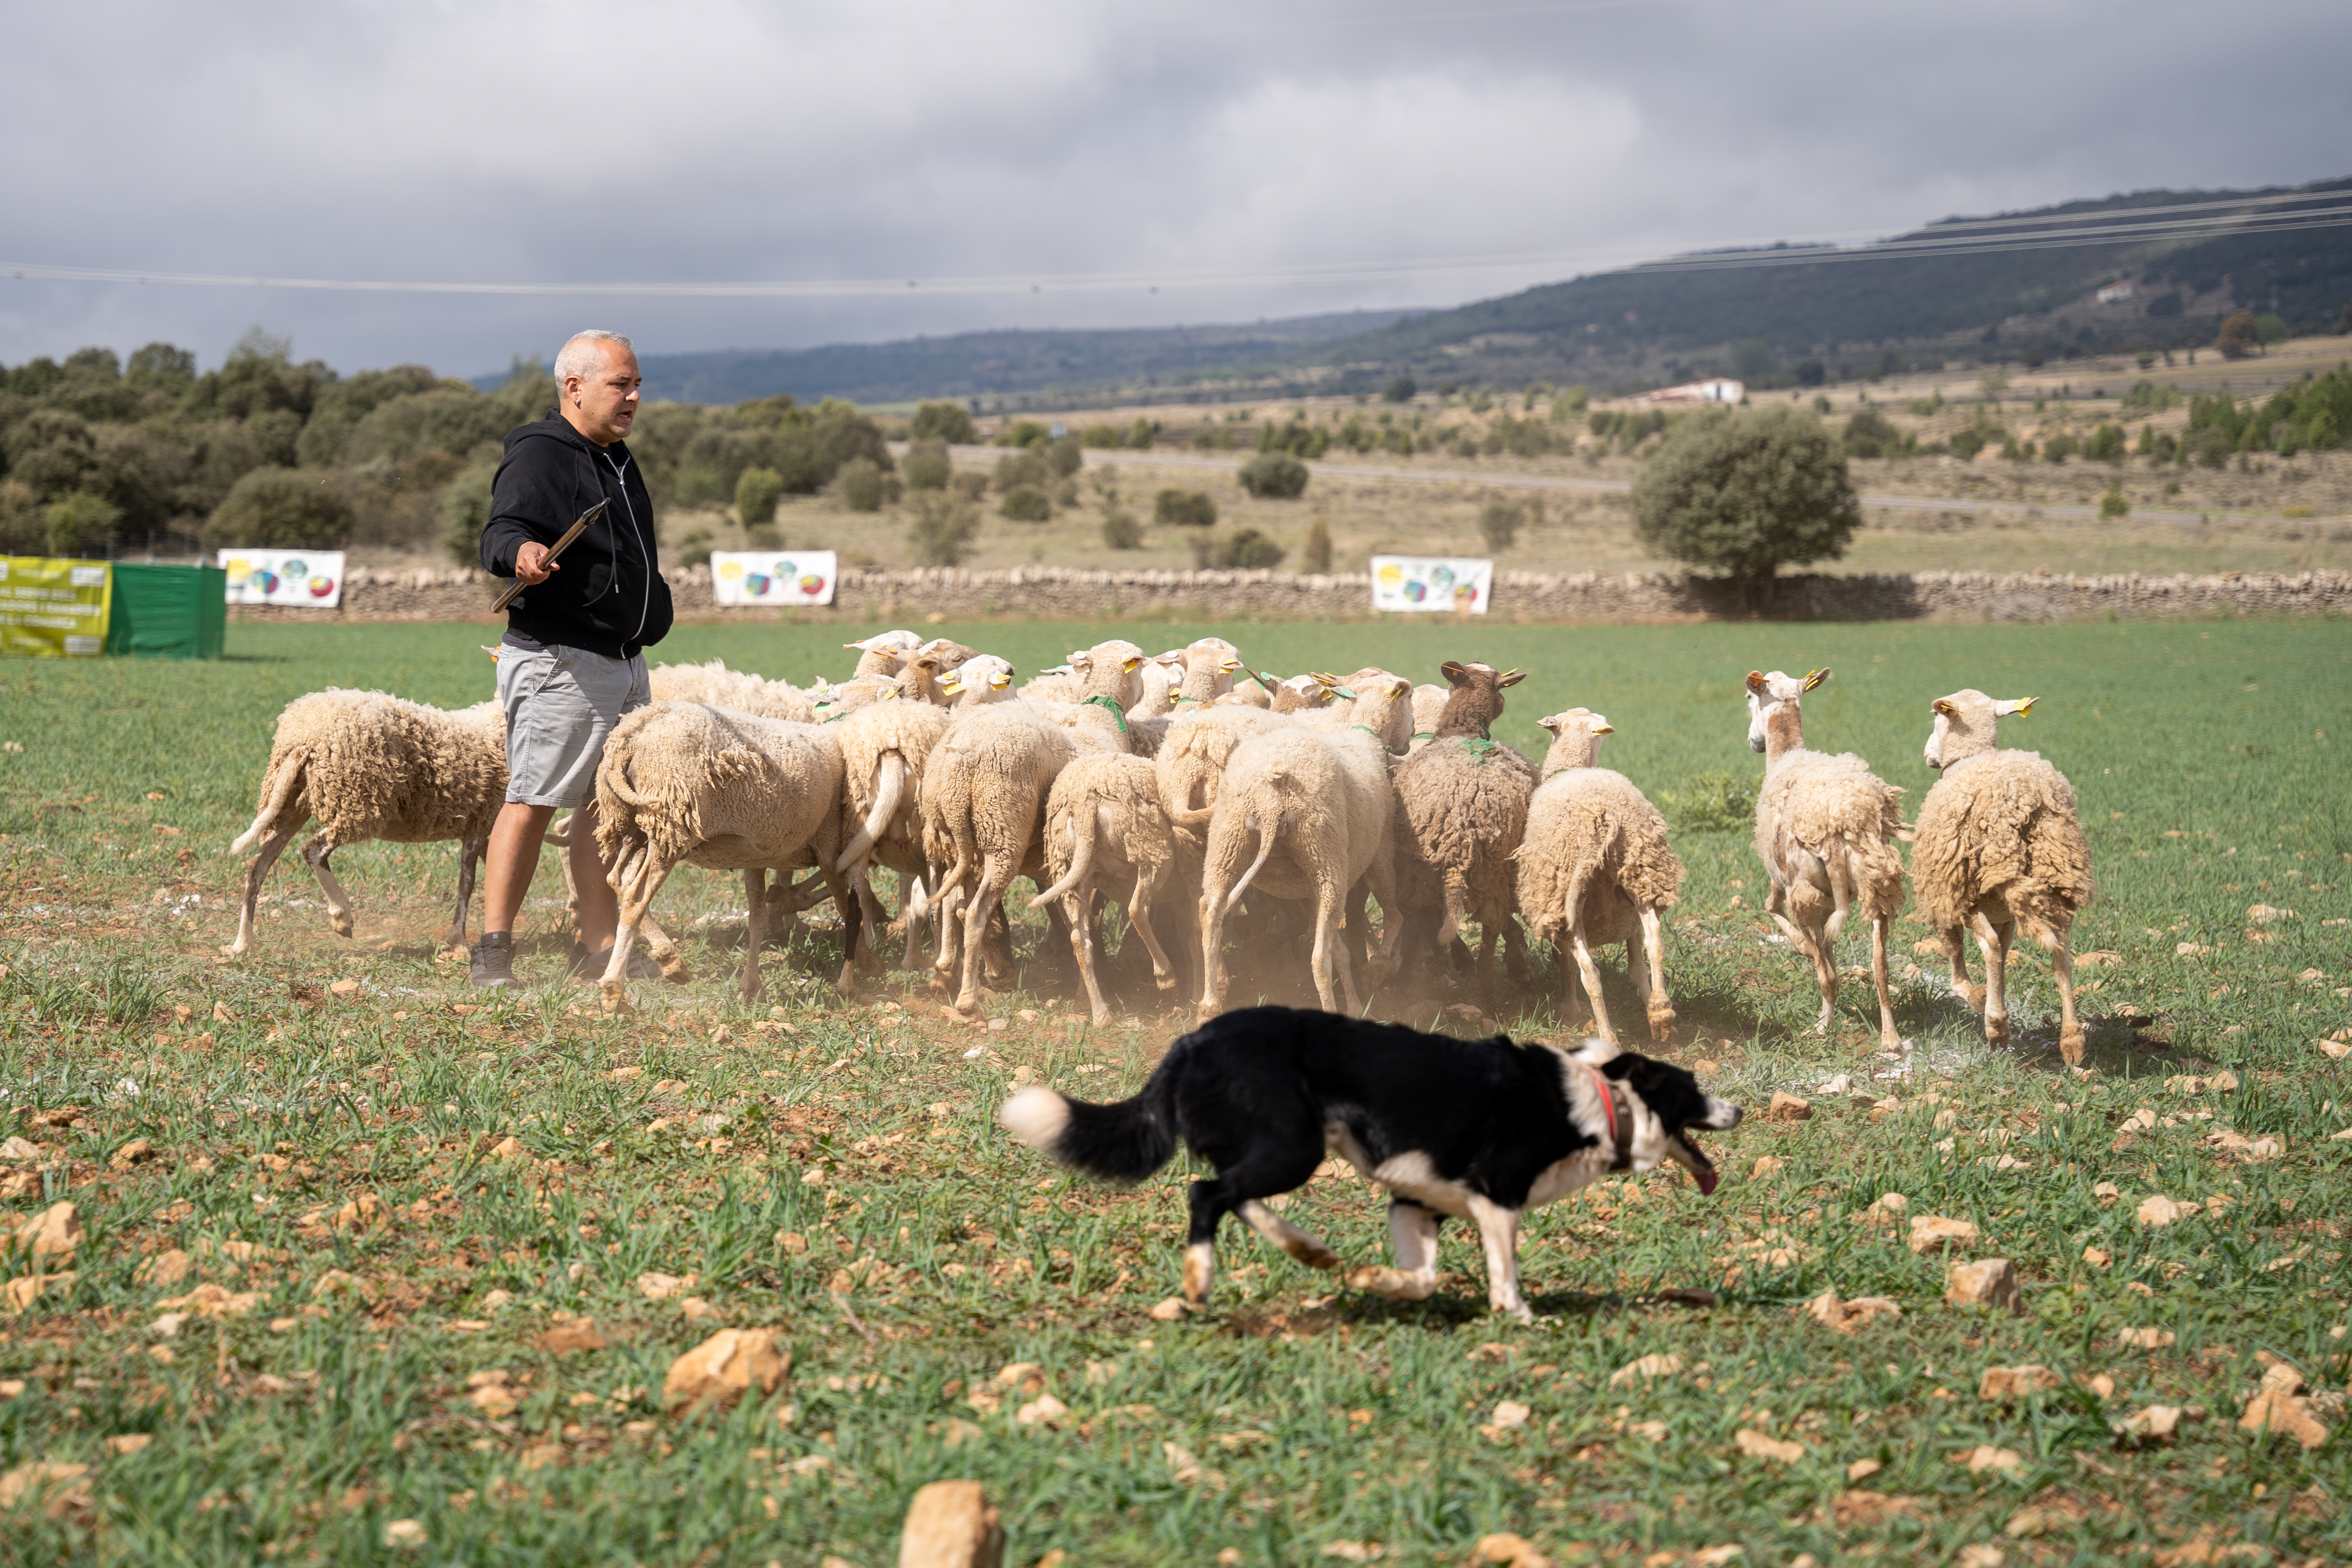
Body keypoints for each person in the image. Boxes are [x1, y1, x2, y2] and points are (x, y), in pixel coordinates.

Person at [471, 330, 674, 986]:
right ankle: (493, 952)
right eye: (622, 384)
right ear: (574, 388)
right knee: (533, 799)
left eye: (637, 384)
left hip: (622, 663)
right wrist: (521, 556)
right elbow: (502, 529)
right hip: (563, 661)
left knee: (601, 808)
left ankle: (598, 946)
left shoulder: (618, 459)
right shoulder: (541, 454)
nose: (635, 397)